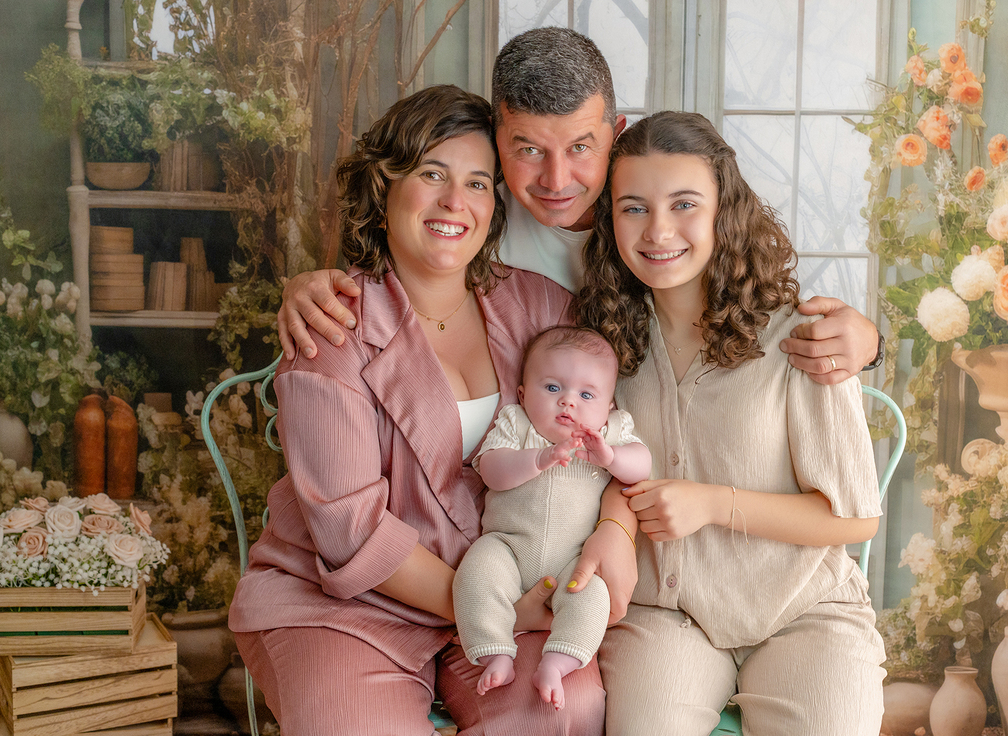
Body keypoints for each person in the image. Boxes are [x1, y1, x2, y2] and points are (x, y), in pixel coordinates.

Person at [228, 85, 625, 736]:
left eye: (475, 183)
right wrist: (493, 607)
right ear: (384, 188)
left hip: (512, 585)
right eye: (431, 175)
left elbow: (615, 435)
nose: (453, 203)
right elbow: (351, 532)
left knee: (563, 712)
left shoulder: (545, 310)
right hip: (346, 605)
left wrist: (615, 530)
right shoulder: (333, 325)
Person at [274, 27, 883, 393]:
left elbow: (745, 294)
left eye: (581, 148)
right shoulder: (469, 216)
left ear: (615, 132)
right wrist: (307, 286)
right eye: (528, 150)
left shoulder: (661, 213)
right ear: (496, 133)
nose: (556, 180)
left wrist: (867, 342)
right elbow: (386, 288)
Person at [572, 111, 886, 735]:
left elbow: (855, 518)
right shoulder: (601, 344)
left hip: (805, 610)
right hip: (665, 611)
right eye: (632, 207)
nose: (658, 230)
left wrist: (713, 503)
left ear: (725, 211)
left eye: (684, 203)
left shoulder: (800, 338)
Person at [454, 326, 651, 711]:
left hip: (572, 559)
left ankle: (558, 662)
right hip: (508, 546)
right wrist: (539, 459)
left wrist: (610, 457)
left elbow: (642, 465)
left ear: (609, 406)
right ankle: (496, 652)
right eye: (552, 389)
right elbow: (491, 470)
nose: (568, 403)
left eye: (587, 395)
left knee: (591, 594)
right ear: (524, 394)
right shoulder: (517, 424)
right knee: (475, 573)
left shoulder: (611, 433)